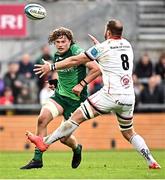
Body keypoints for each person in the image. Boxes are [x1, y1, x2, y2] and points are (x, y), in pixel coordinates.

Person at [28, 20, 161, 169]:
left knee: (75, 118)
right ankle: (151, 160)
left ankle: (44, 143)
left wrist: (51, 66)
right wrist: (99, 48)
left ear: (108, 32)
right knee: (128, 132)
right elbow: (111, 56)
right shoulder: (127, 45)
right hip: (129, 96)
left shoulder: (102, 47)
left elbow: (76, 60)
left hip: (110, 95)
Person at [20, 27, 101, 169]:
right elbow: (66, 73)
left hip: (76, 101)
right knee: (42, 118)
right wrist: (56, 83)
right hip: (60, 96)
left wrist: (81, 85)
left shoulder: (76, 51)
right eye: (57, 42)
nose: (60, 44)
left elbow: (96, 69)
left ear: (70, 41)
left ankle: (77, 148)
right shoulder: (57, 55)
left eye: (63, 41)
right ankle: (37, 159)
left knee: (64, 138)